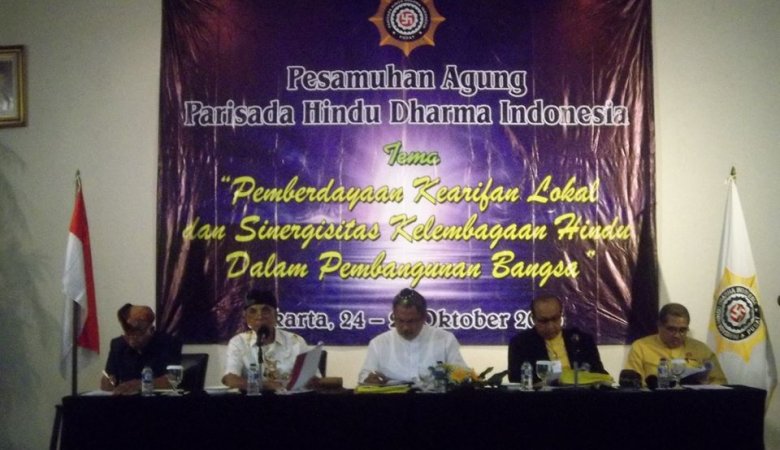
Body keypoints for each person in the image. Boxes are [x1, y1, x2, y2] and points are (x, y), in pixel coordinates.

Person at [358, 288, 468, 385]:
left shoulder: (445, 340)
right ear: (394, 317)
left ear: (424, 318)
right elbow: (365, 375)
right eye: (400, 321)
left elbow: (462, 375)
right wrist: (369, 380)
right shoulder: (378, 343)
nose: (405, 327)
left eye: (411, 321)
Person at [222, 289, 312, 392]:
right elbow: (230, 379)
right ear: (246, 318)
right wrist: (264, 385)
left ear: (276, 316)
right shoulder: (238, 342)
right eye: (253, 311)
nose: (259, 316)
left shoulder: (296, 341)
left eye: (265, 310)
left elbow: (311, 379)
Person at [508, 295, 607, 383]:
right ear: (533, 319)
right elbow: (514, 376)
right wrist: (553, 379)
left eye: (555, 319)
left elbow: (599, 373)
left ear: (561, 315)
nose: (550, 326)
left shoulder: (582, 340)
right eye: (544, 321)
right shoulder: (521, 343)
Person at [625, 302, 727, 385]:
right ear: (659, 326)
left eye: (682, 330)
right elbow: (633, 384)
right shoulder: (641, 347)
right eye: (671, 329)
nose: (677, 335)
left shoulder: (701, 349)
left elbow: (720, 382)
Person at [101, 304, 182, 395]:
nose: (131, 339)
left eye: (137, 333)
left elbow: (173, 380)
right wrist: (108, 382)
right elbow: (108, 378)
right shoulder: (118, 345)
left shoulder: (169, 343)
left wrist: (141, 384)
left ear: (151, 330)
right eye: (128, 334)